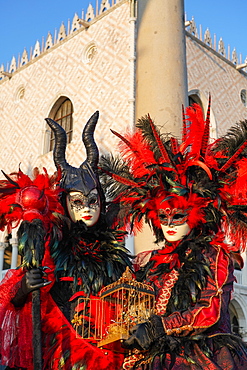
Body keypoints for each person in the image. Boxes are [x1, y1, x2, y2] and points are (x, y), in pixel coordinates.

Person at [100, 100, 247, 369]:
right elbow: (137, 303)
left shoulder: (215, 255)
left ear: (198, 213)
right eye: (163, 217)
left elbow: (208, 311)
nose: (169, 223)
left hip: (200, 354)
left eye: (178, 215)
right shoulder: (151, 261)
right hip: (149, 355)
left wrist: (160, 327)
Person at [0, 111, 131, 370]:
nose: (87, 208)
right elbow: (16, 297)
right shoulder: (55, 244)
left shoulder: (113, 251)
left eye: (93, 201)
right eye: (78, 202)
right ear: (65, 203)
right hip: (63, 353)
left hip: (108, 356)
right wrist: (26, 286)